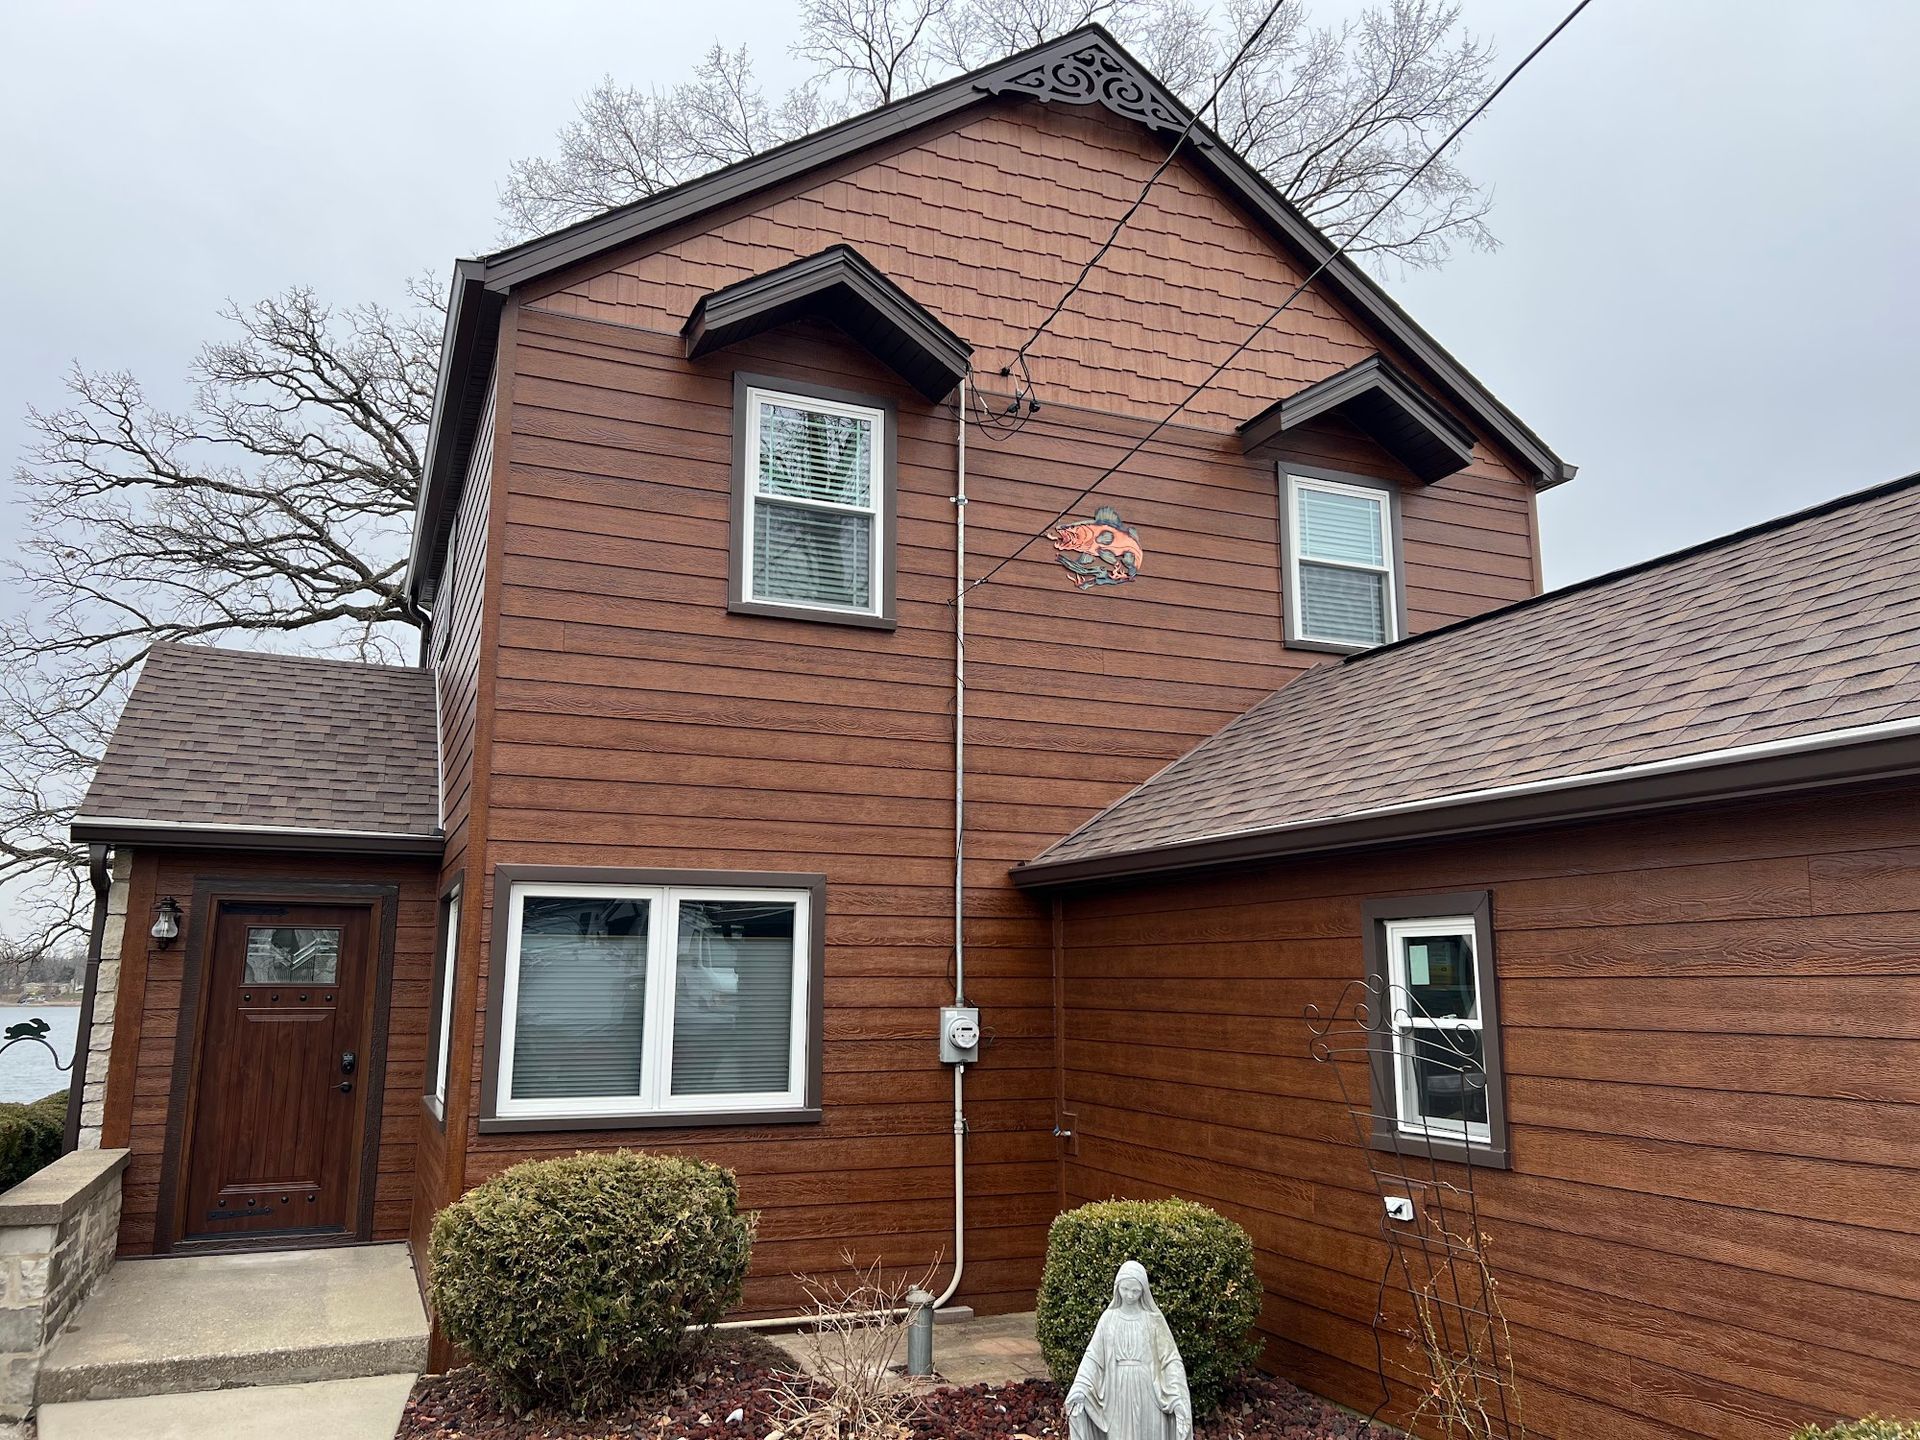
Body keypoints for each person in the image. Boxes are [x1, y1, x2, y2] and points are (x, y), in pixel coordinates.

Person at [1065, 1261, 1193, 1440]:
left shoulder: (1153, 1319)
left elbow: (1170, 1359)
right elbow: (1093, 1357)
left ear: (1143, 1291)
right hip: (1117, 1390)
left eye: (1135, 1291)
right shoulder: (1109, 1318)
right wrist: (1080, 1387)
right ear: (1117, 1287)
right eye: (1125, 1289)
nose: (1130, 1295)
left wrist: (1177, 1394)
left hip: (1149, 1388)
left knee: (1150, 1432)